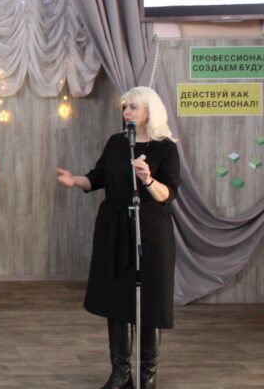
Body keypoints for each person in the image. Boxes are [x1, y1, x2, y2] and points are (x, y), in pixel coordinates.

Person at [55, 86, 179, 389]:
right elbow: (99, 176)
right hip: (114, 229)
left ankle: (147, 375)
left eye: (133, 107)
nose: (127, 112)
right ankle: (121, 373)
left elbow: (168, 193)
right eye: (125, 107)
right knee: (117, 301)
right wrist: (76, 180)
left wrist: (147, 179)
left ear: (149, 111)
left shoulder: (166, 148)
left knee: (149, 303)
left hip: (150, 232)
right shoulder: (117, 142)